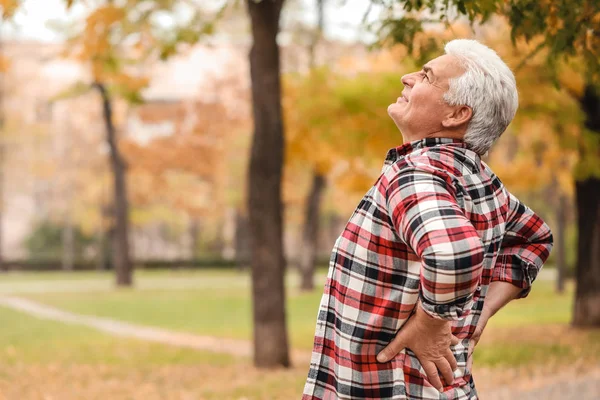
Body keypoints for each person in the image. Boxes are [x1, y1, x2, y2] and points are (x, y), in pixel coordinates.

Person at [302, 39, 554, 400]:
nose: (407, 77)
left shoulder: (413, 175)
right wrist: (479, 314)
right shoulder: (479, 178)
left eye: (426, 76)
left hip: (389, 388)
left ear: (455, 115)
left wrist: (430, 322)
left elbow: (455, 253)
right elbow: (535, 239)